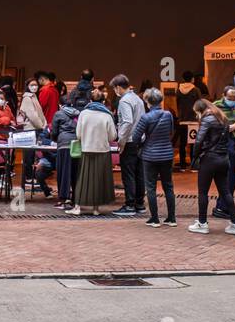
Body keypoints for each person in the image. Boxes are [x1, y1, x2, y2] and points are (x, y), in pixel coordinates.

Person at [188, 99, 235, 235]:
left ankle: (202, 223)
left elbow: (199, 140)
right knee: (225, 191)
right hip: (223, 158)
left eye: (196, 113)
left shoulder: (207, 119)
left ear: (200, 110)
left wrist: (194, 156)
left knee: (203, 192)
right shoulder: (222, 117)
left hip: (209, 159)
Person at [135, 88, 177, 227]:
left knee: (151, 187)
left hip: (150, 156)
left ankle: (154, 218)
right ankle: (171, 218)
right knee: (168, 186)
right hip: (166, 154)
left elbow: (135, 137)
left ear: (147, 101)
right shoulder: (168, 115)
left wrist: (144, 142)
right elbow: (171, 132)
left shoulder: (146, 117)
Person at [71, 88, 116, 216]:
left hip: (86, 150)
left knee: (83, 179)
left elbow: (78, 135)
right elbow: (112, 136)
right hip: (102, 151)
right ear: (103, 101)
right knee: (99, 180)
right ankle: (96, 209)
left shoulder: (83, 114)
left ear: (90, 100)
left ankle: (78, 207)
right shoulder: (107, 115)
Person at [211, 86, 235, 220]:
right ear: (223, 95)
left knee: (231, 176)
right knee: (225, 175)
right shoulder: (215, 107)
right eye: (230, 98)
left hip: (232, 142)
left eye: (234, 98)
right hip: (220, 143)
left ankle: (222, 206)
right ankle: (223, 206)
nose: (232, 100)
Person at [111, 75, 145, 216]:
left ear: (118, 87)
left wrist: (121, 141)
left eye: (114, 88)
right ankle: (139, 204)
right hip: (140, 140)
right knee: (139, 173)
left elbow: (127, 122)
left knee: (128, 174)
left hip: (129, 141)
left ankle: (129, 205)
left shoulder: (124, 101)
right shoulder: (137, 99)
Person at [50, 87, 84, 211]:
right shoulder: (78, 113)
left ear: (60, 104)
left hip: (63, 145)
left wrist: (55, 139)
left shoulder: (59, 114)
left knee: (63, 173)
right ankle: (75, 198)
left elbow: (54, 132)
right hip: (76, 144)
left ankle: (63, 199)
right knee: (75, 172)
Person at [175, 72, 200, 168]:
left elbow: (176, 103)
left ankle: (182, 163)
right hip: (193, 120)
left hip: (182, 120)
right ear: (192, 78)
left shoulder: (178, 90)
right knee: (193, 142)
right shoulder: (196, 90)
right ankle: (193, 163)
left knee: (182, 142)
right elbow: (199, 104)